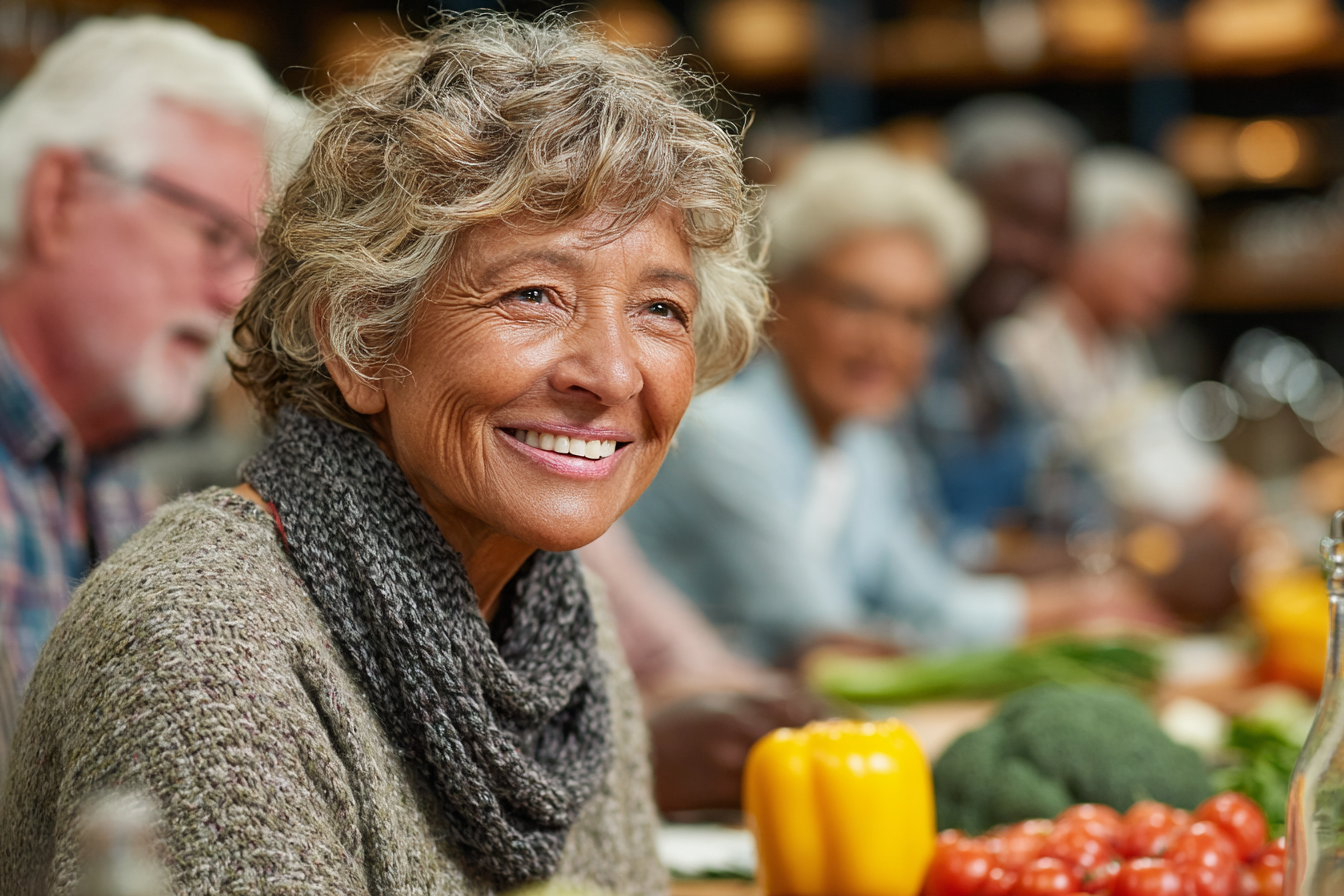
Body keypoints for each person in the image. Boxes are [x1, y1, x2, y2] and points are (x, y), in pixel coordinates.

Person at [1, 13, 769, 893]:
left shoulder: (562, 631)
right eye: (534, 294)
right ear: (363, 343)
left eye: (660, 308)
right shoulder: (201, 639)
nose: (613, 372)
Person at [625, 140, 1164, 663]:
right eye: (859, 303)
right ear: (778, 299)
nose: (888, 343)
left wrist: (1090, 602)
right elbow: (829, 635)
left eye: (916, 318)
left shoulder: (864, 450)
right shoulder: (724, 435)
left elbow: (931, 601)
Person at [0, 16, 304, 698]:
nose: (239, 293)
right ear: (59, 199)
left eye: (254, 255)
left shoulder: (113, 481)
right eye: (214, 233)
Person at [990, 147, 1258, 618]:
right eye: (1154, 248)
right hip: (1067, 596)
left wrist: (1217, 498)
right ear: (1087, 246)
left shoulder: (1120, 345)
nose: (1175, 274)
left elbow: (1175, 460)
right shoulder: (1023, 349)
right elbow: (1080, 499)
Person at [910, 95, 1098, 564]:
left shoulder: (1000, 368)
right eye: (1015, 218)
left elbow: (1070, 501)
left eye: (1053, 231)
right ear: (951, 202)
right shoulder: (900, 353)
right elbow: (904, 546)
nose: (1032, 252)